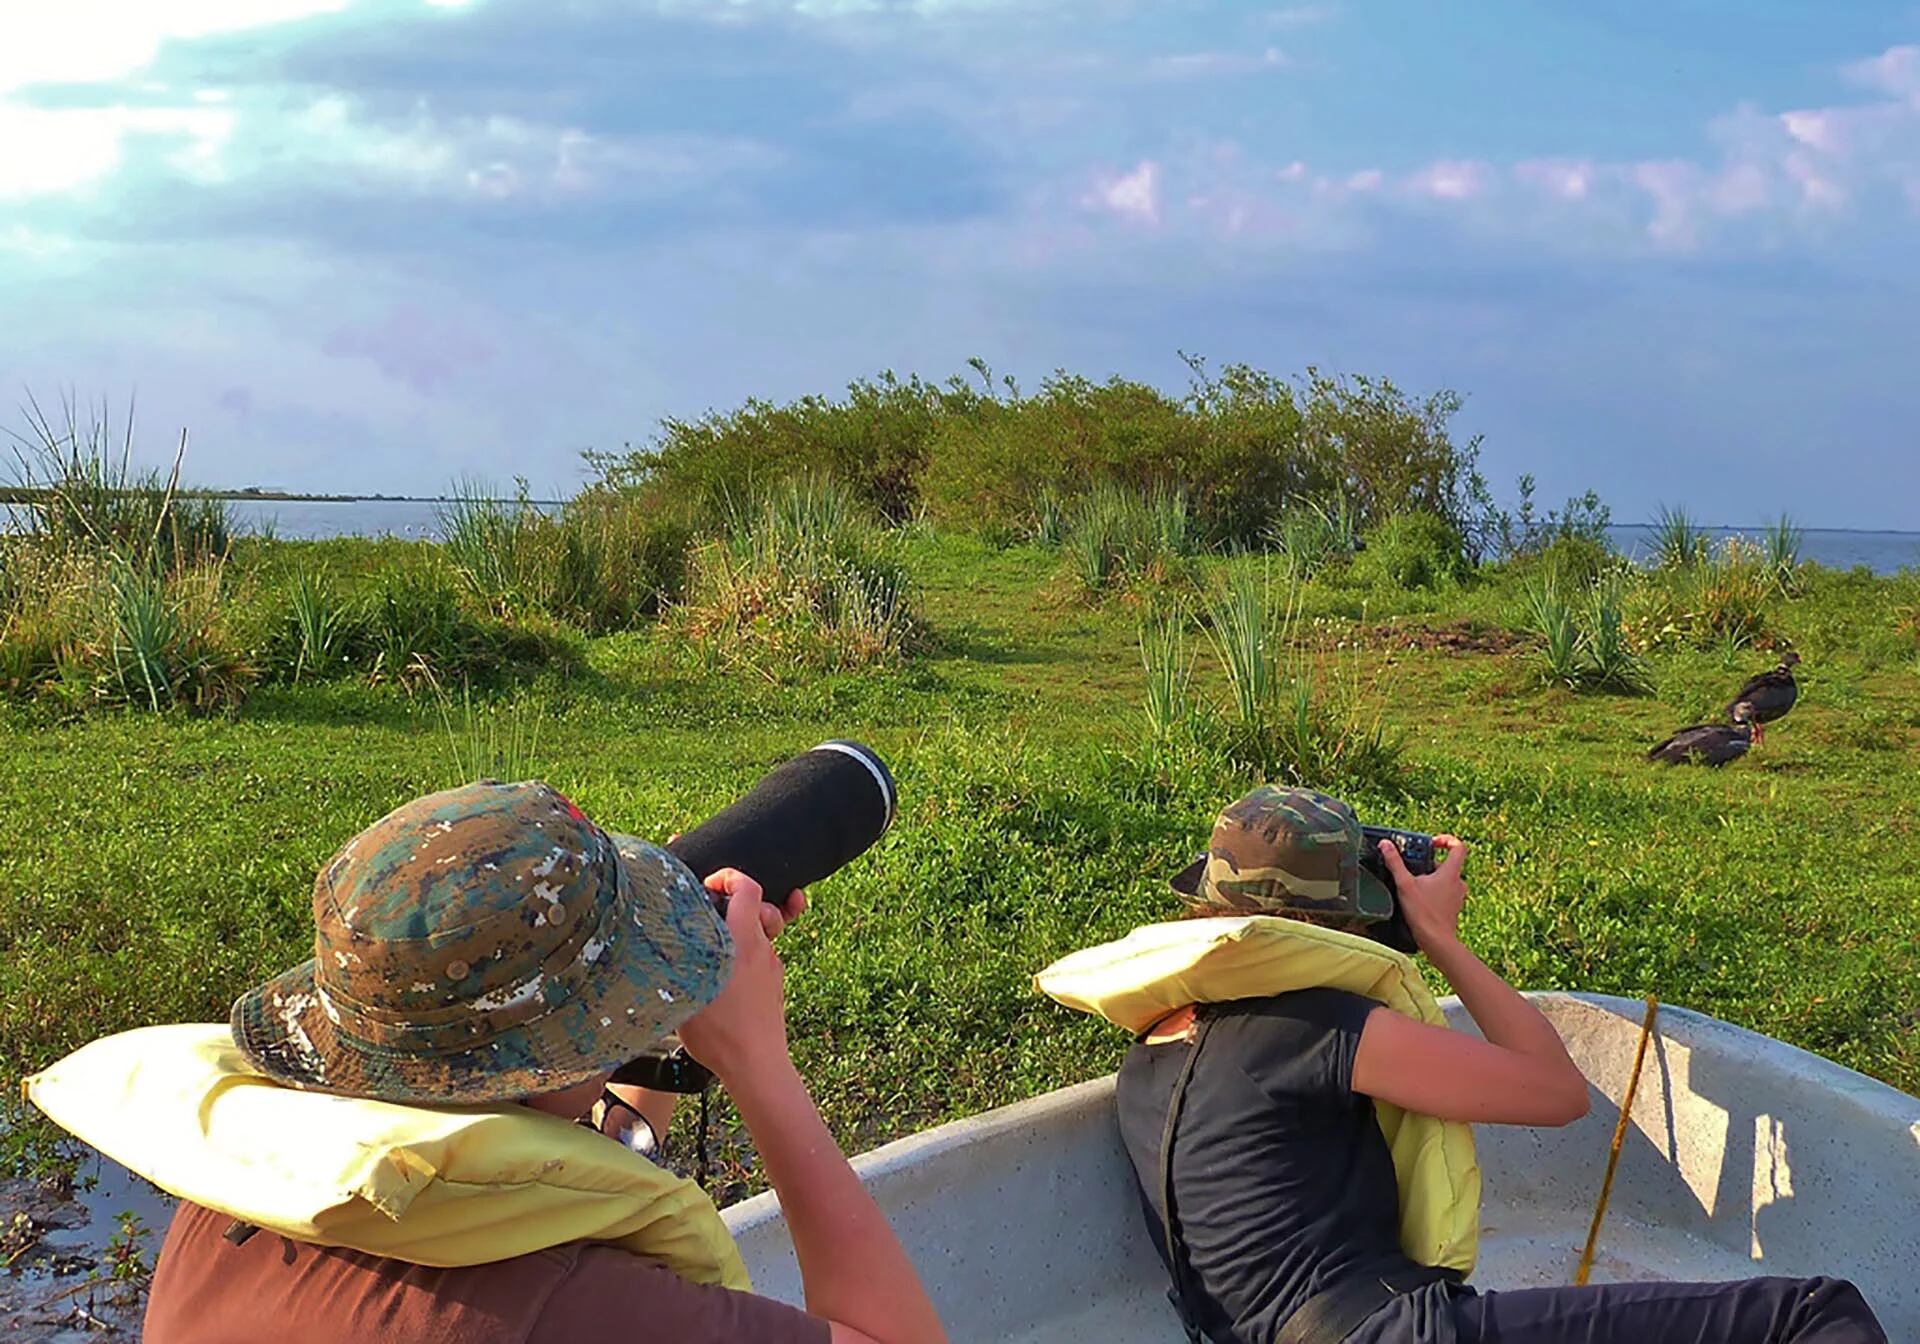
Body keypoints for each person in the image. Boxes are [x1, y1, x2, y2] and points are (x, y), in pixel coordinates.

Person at [132, 779, 949, 1344]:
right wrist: (758, 1061)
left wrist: (650, 1013)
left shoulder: (230, 1207)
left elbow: (534, 1161)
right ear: (551, 1056)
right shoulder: (573, 1310)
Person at [1111, 785, 1887, 1344]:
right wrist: (1441, 938)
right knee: (1818, 1315)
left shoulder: (1148, 1058)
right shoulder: (1310, 1028)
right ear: (1342, 920)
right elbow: (1556, 1093)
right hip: (1396, 1333)